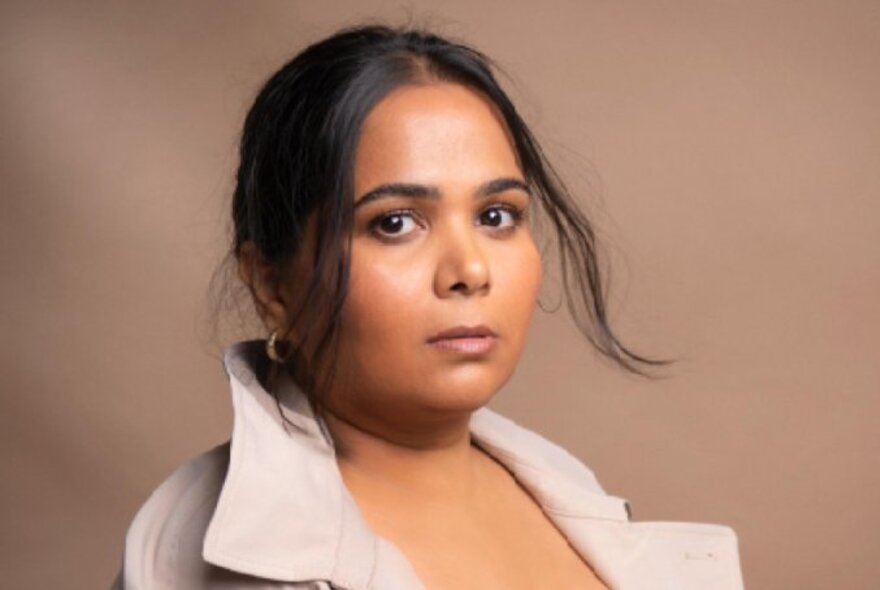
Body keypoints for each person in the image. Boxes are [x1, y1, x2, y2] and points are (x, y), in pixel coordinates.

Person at [113, 24, 744, 589]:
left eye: (497, 216)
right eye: (394, 223)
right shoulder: (200, 550)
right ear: (273, 286)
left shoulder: (567, 491)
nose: (469, 270)